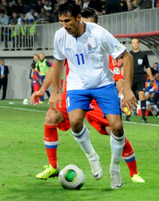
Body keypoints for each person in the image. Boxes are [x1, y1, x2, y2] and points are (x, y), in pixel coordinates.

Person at [49, 1, 137, 189]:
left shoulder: (98, 33)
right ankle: (92, 157)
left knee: (117, 127)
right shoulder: (60, 36)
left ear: (78, 18)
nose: (64, 26)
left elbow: (126, 56)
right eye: (61, 21)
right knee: (75, 121)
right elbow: (58, 62)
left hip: (103, 83)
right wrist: (55, 91)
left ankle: (114, 168)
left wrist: (128, 89)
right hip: (76, 85)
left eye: (68, 21)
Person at [127, 38, 153, 123]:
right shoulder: (129, 54)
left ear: (139, 44)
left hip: (141, 77)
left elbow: (147, 66)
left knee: (142, 96)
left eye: (136, 43)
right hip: (131, 77)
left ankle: (143, 117)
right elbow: (125, 66)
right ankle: (128, 115)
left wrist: (151, 77)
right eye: (133, 43)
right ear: (131, 44)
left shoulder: (143, 54)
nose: (135, 44)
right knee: (130, 97)